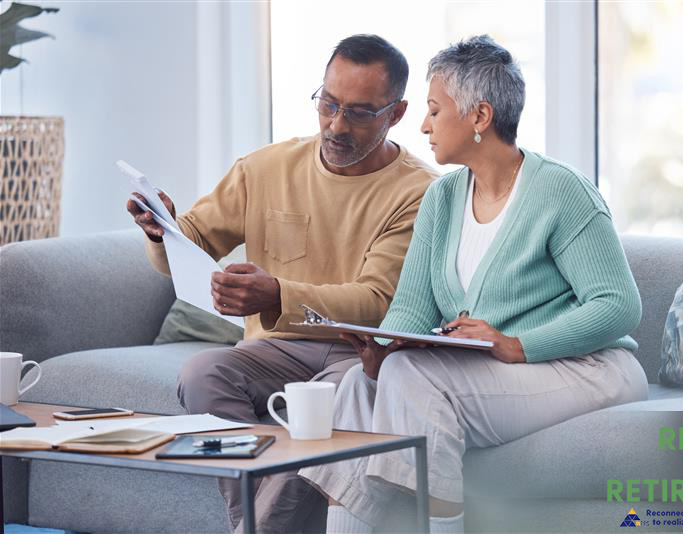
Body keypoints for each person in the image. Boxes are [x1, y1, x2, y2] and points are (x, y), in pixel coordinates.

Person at [299, 35, 649, 534]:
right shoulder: (442, 199)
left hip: (587, 367)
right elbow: (411, 312)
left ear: (480, 117)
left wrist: (515, 344)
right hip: (493, 373)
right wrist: (379, 349)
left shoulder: (560, 191)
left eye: (435, 111)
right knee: (359, 383)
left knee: (411, 378)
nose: (423, 125)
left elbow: (618, 306)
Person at [126, 34, 436, 534]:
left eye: (358, 113)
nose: (336, 125)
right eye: (329, 104)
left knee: (329, 409)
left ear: (395, 114)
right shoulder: (265, 167)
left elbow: (378, 302)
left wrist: (278, 293)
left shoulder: (422, 192)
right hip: (274, 350)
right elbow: (195, 240)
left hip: (356, 352)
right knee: (203, 372)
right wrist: (162, 230)